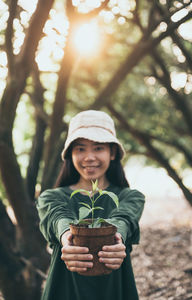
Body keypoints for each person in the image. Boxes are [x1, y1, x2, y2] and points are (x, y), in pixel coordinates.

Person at [37, 110, 145, 300]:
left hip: (114, 291)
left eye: (98, 148)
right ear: (70, 154)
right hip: (64, 291)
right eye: (80, 149)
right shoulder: (51, 197)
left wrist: (116, 237)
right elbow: (57, 217)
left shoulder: (130, 197)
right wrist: (67, 238)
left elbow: (124, 218)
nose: (89, 157)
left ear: (112, 153)